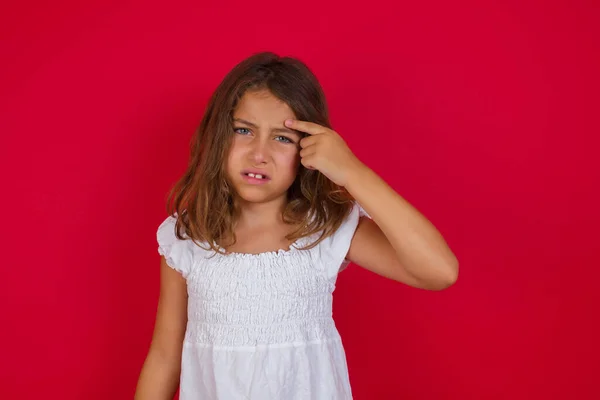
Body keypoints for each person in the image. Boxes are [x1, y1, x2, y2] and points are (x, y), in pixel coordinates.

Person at [134, 51, 458, 400]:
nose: (260, 153)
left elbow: (439, 271)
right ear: (218, 136)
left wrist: (352, 171)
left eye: (282, 138)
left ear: (308, 150)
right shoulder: (187, 237)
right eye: (244, 130)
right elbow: (165, 357)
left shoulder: (324, 230)